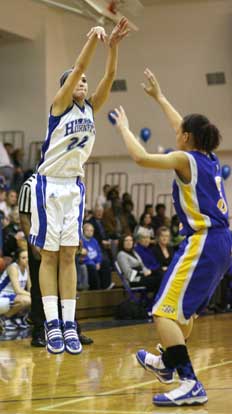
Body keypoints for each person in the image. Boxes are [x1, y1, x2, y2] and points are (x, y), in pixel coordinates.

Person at [111, 68, 231, 406]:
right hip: (220, 243)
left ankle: (189, 382)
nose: (176, 132)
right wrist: (160, 97)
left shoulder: (185, 158)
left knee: (163, 312)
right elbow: (182, 125)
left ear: (187, 138)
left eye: (181, 132)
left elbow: (141, 157)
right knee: (183, 313)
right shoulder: (207, 157)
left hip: (203, 241)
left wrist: (124, 129)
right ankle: (166, 362)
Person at [29, 19, 129, 355]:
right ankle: (51, 322)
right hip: (49, 184)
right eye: (77, 80)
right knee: (50, 256)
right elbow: (82, 64)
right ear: (67, 86)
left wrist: (112, 46)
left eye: (85, 81)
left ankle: (69, 324)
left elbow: (108, 77)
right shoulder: (59, 106)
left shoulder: (90, 107)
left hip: (74, 186)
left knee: (70, 254)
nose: (83, 83)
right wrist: (91, 39)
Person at [19, 174, 94, 346]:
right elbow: (24, 217)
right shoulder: (30, 185)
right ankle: (39, 331)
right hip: (41, 243)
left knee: (68, 287)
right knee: (39, 290)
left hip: (64, 242)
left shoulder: (69, 183)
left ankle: (72, 329)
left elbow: (75, 214)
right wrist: (32, 244)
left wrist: (79, 236)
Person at [0, 249, 31, 331]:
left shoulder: (27, 268)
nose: (26, 260)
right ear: (18, 259)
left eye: (28, 257)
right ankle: (4, 318)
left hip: (13, 297)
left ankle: (17, 317)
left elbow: (30, 288)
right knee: (27, 300)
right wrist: (33, 296)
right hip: (2, 296)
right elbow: (18, 290)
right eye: (23, 258)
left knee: (33, 300)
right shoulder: (13, 268)